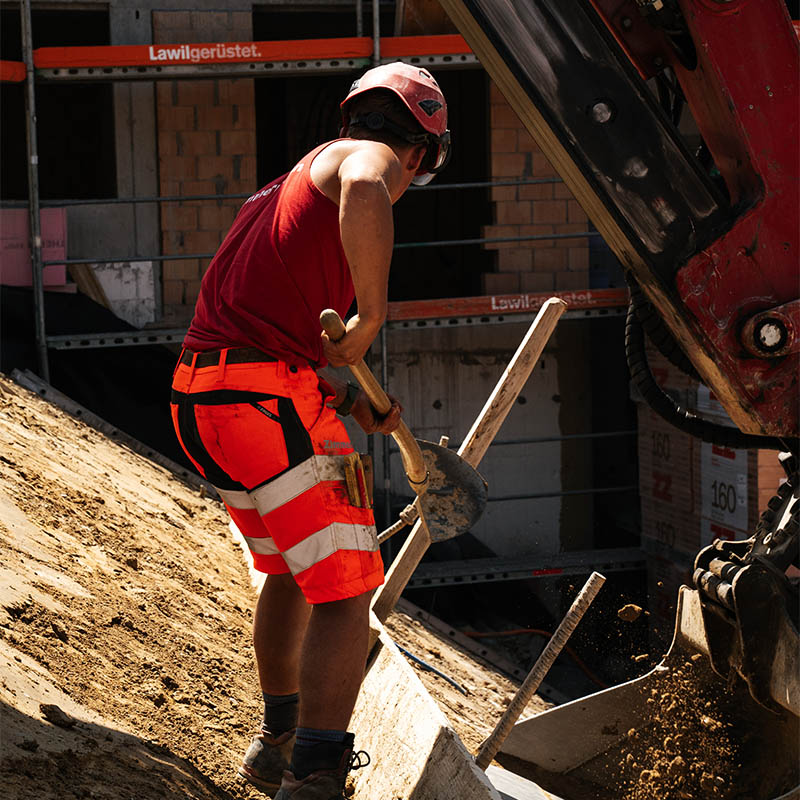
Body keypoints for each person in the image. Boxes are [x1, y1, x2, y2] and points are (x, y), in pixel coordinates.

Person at [169, 62, 450, 799]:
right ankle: (317, 776)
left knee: (292, 573)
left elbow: (264, 327)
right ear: (420, 152)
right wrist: (374, 315)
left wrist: (349, 399)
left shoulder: (288, 187)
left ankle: (279, 744)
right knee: (347, 591)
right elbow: (369, 184)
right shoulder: (368, 160)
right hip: (263, 400)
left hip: (207, 395)